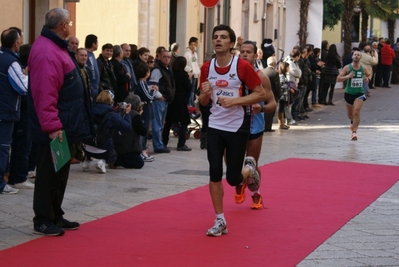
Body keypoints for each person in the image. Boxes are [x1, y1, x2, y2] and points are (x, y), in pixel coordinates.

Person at [28, 8, 94, 235]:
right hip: (55, 127)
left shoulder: (57, 46)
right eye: (70, 22)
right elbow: (45, 93)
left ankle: (56, 214)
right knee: (48, 173)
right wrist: (53, 126)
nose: (71, 25)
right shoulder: (47, 51)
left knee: (60, 172)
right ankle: (43, 219)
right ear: (63, 26)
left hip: (65, 124)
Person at [198, 25, 267, 237]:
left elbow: (261, 94)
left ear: (231, 43)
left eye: (223, 37)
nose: (218, 40)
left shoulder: (242, 66)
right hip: (215, 125)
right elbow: (202, 102)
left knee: (233, 179)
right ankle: (220, 220)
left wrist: (236, 101)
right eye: (215, 37)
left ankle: (248, 167)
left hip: (238, 126)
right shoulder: (206, 68)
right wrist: (205, 94)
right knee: (215, 173)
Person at [239, 41, 276, 209]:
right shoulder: (233, 75)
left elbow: (272, 105)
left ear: (255, 56)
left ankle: (255, 194)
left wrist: (260, 108)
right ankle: (240, 181)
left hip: (255, 127)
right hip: (234, 127)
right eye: (242, 51)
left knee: (251, 164)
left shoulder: (261, 77)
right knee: (233, 167)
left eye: (248, 52)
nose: (245, 54)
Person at [0, 27, 28, 194]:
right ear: (16, 42)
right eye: (20, 40)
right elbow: (23, 87)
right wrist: (27, 75)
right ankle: (1, 184)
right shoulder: (11, 62)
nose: (21, 43)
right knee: (3, 147)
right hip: (5, 111)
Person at [82, 90, 132, 173]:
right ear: (111, 100)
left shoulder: (89, 110)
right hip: (103, 150)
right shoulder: (112, 115)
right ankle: (102, 162)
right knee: (114, 155)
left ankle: (86, 162)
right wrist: (127, 114)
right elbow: (127, 127)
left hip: (86, 147)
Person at [337, 50, 371, 141]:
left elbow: (369, 75)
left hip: (359, 93)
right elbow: (338, 79)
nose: (356, 56)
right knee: (350, 114)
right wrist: (347, 77)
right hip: (348, 93)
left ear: (361, 57)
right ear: (352, 57)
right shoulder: (347, 68)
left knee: (356, 111)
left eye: (358, 55)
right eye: (355, 54)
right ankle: (352, 121)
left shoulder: (363, 68)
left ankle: (354, 132)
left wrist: (367, 79)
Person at [162, 56, 192, 152]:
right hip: (180, 99)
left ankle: (164, 142)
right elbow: (188, 88)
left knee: (168, 121)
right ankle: (181, 143)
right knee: (184, 121)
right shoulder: (183, 74)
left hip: (171, 99)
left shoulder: (171, 73)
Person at [148, 49, 175, 153]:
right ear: (159, 57)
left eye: (168, 57)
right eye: (165, 57)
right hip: (159, 100)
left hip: (165, 99)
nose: (167, 59)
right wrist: (159, 96)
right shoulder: (157, 69)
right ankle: (158, 145)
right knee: (157, 123)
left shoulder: (167, 68)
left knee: (160, 124)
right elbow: (152, 85)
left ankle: (160, 144)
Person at [134, 62, 160, 162]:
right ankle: (141, 150)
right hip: (143, 111)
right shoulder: (141, 82)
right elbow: (148, 97)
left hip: (147, 111)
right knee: (142, 132)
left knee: (145, 131)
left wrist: (150, 89)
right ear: (147, 73)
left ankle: (143, 150)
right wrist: (154, 90)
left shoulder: (143, 83)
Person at [111, 94, 146, 169]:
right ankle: (117, 161)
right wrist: (139, 116)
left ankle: (114, 159)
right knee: (139, 163)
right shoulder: (135, 116)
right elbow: (143, 131)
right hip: (129, 149)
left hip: (116, 147)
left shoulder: (117, 112)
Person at [262, 56, 281, 132]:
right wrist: (279, 94)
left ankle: (263, 126)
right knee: (270, 111)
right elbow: (277, 85)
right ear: (274, 64)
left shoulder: (262, 71)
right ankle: (268, 127)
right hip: (272, 94)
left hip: (263, 94)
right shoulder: (275, 73)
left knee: (264, 110)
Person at [184, 37, 200, 107]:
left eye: (194, 45)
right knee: (190, 90)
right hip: (191, 75)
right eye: (191, 45)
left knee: (194, 91)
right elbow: (185, 65)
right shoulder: (187, 54)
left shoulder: (195, 54)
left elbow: (195, 63)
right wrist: (191, 70)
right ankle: (189, 104)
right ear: (189, 45)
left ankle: (192, 103)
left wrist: (197, 70)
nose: (193, 46)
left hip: (196, 75)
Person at [84, 34, 100, 102]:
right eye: (97, 43)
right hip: (90, 87)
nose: (98, 45)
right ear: (93, 44)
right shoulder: (85, 54)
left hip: (95, 87)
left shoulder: (92, 54)